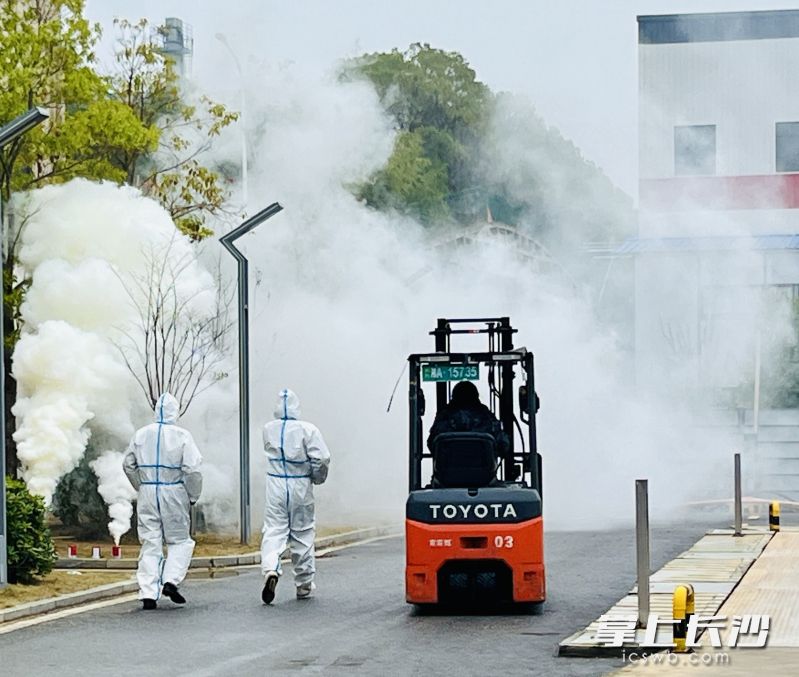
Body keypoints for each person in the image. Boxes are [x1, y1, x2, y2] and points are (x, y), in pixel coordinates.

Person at [123, 392, 202, 610]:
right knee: (179, 541)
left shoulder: (141, 434)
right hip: (173, 491)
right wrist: (192, 495)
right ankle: (170, 581)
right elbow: (193, 469)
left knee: (150, 542)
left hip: (148, 492)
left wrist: (141, 486)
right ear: (174, 412)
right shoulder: (182, 436)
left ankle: (148, 592)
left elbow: (128, 464)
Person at [260, 389, 331, 604]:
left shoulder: (268, 429)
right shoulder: (307, 430)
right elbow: (323, 458)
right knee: (302, 532)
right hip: (300, 483)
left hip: (275, 482)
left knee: (274, 530)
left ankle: (271, 569)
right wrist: (316, 478)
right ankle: (303, 583)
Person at [427, 381, 510, 461]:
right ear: (476, 397)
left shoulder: (444, 418)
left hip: (448, 472)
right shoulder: (487, 419)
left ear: (454, 397)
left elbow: (432, 444)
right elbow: (503, 445)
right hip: (482, 472)